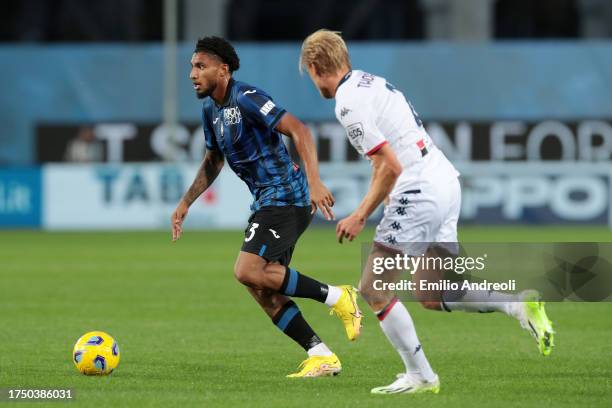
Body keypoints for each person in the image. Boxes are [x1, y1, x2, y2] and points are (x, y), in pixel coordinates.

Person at [300, 29, 554, 394]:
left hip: (418, 188)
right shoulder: (372, 83)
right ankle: (517, 306)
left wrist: (359, 214)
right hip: (444, 180)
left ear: (313, 67)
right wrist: (386, 199)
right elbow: (385, 156)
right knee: (435, 292)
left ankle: (421, 376)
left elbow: (390, 166)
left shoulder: (346, 103)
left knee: (374, 289)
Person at [171, 36, 362, 378]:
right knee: (260, 285)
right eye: (192, 67)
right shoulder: (209, 110)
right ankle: (321, 354)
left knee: (246, 269)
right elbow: (214, 159)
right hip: (266, 200)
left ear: (223, 70)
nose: (192, 74)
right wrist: (186, 203)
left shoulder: (247, 97)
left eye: (201, 66)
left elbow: (300, 131)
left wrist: (315, 181)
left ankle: (337, 296)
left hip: (287, 196)